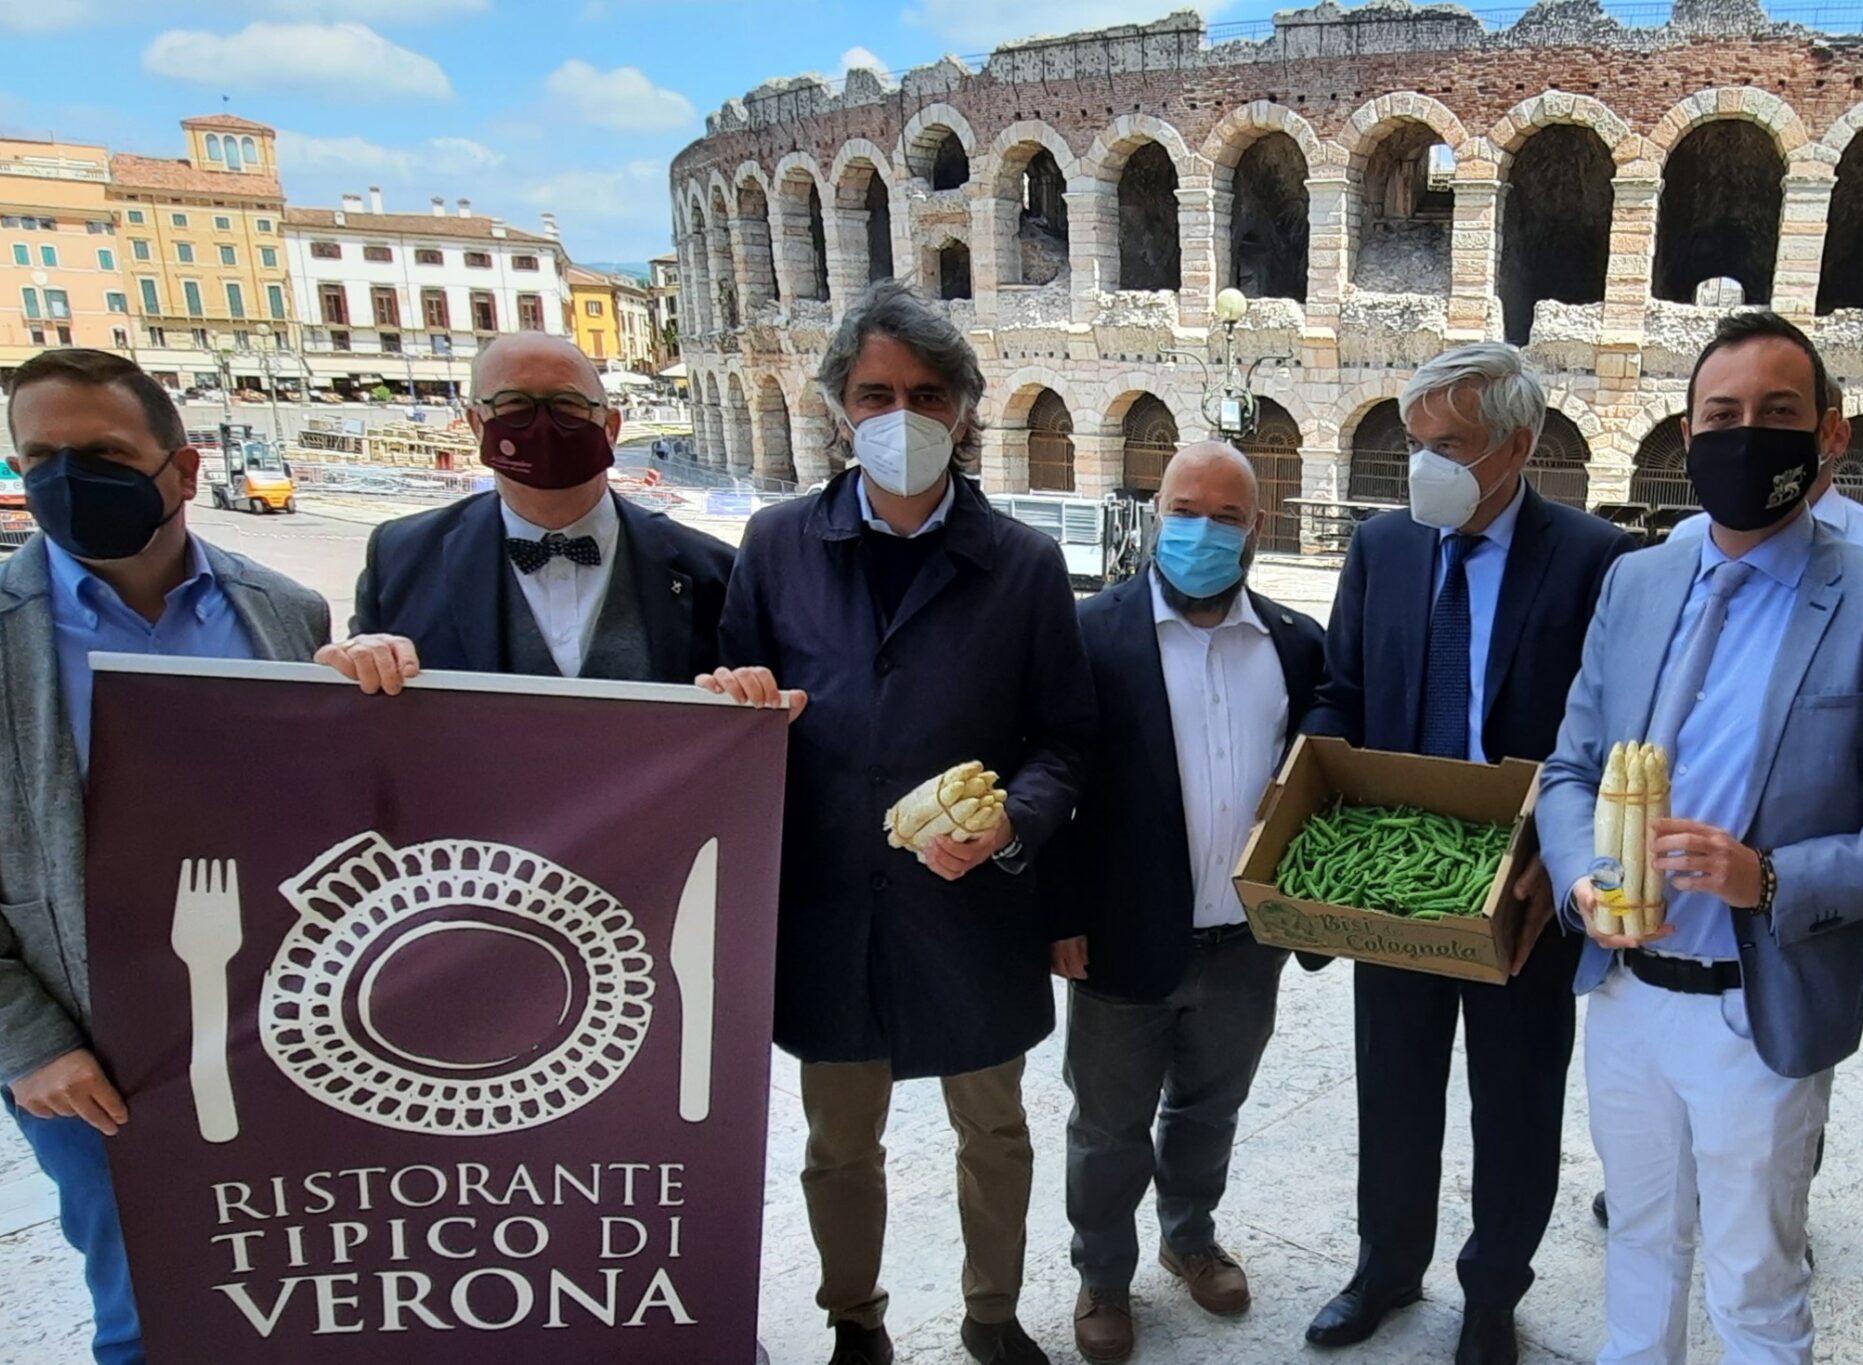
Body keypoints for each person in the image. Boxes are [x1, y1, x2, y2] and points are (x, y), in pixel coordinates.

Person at [0, 350, 334, 1365]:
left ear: (185, 470)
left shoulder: (284, 611)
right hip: (95, 1055)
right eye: (41, 458)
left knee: (302, 1286)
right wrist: (25, 1045)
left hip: (279, 1032)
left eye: (105, 453)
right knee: (151, 1310)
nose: (68, 478)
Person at [1537, 311, 1863, 1365]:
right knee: (1640, 1242)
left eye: (1776, 415)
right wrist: (1577, 881)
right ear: (1689, 437)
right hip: (1623, 989)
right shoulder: (1638, 580)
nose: (1746, 435)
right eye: (1721, 416)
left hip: (1758, 1006)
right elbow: (1570, 768)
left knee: (1753, 1274)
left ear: (1829, 435)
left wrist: (1771, 876)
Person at [717, 280, 1096, 1365]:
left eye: (927, 395)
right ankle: (854, 1318)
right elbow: (735, 713)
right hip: (832, 905)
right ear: (841, 406)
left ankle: (991, 1313)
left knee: (996, 1131)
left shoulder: (1019, 563)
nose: (902, 418)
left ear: (966, 409)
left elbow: (1066, 740)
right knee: (839, 1144)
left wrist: (1011, 823)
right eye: (876, 393)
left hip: (971, 903)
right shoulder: (779, 544)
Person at [1301, 342, 1630, 1365]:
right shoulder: (1385, 549)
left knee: (1516, 1098)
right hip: (1395, 874)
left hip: (1522, 880)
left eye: (1449, 445)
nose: (1425, 465)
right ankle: (1386, 1270)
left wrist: (1565, 855)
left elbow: (1618, 727)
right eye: (1416, 445)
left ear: (1515, 445)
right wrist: (1305, 788)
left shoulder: (1591, 558)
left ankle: (1493, 1290)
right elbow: (1340, 689)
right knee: (1392, 1086)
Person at [1046, 441, 1326, 1362]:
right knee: (1108, 1123)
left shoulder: (1293, 644)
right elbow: (1054, 780)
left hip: (1245, 941)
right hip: (1124, 937)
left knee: (1210, 1106)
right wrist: (1059, 913)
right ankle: (1102, 1275)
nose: (1202, 530)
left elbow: (1320, 777)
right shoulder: (1091, 634)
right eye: (1185, 509)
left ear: (1257, 527)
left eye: (1226, 514)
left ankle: (1190, 1237)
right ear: (1155, 510)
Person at [322, 330, 732, 692]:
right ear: (476, 424)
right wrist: (358, 660)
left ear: (611, 427)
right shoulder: (401, 557)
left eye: (567, 404)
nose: (542, 425)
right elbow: (369, 706)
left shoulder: (712, 569)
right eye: (514, 403)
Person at [1668, 381, 1863, 572]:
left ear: (1835, 435)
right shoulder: (1688, 537)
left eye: (1780, 415)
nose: (1752, 440)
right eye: (1725, 416)